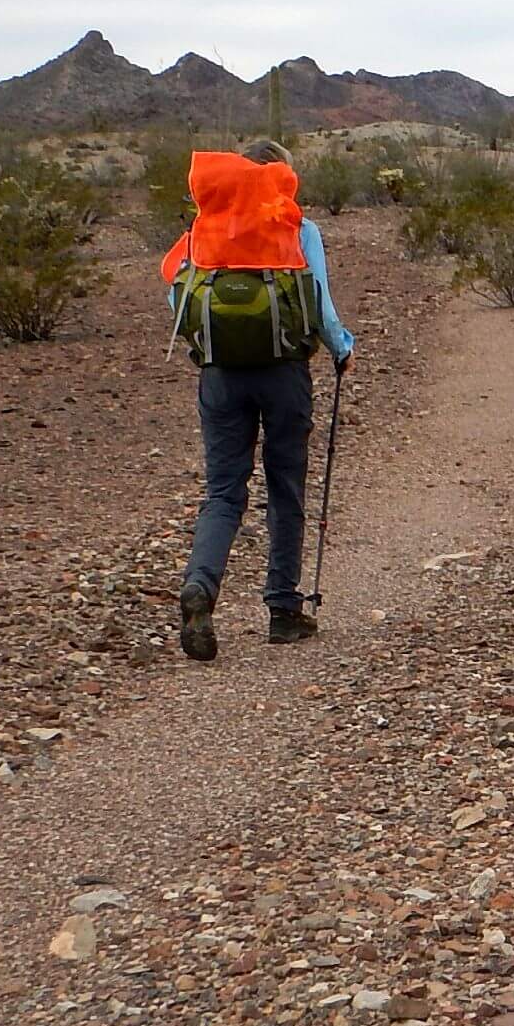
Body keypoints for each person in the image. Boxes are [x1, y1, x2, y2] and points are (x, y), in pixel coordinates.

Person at [162, 139, 354, 662]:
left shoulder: (205, 227)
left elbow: (176, 295)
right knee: (285, 486)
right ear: (281, 176)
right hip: (285, 372)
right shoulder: (297, 227)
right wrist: (342, 349)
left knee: (223, 491)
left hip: (221, 375)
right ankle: (282, 610)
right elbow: (319, 303)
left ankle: (201, 586)